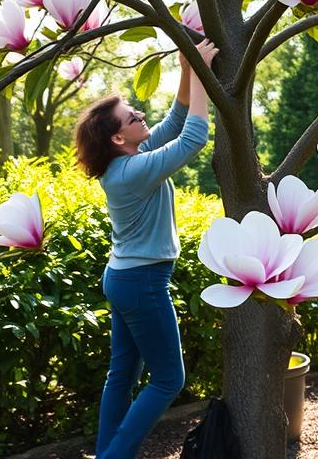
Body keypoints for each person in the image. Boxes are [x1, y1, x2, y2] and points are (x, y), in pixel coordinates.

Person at [74, 39, 219, 459]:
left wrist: (187, 67)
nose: (141, 114)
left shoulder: (127, 161)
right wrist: (205, 78)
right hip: (142, 281)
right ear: (119, 136)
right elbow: (193, 137)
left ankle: (108, 451)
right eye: (132, 116)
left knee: (122, 374)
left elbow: (174, 122)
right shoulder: (134, 170)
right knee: (168, 380)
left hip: (124, 277)